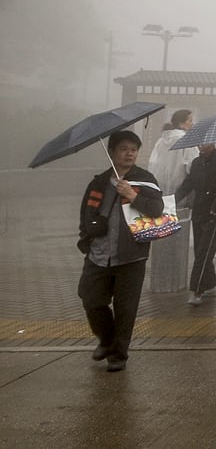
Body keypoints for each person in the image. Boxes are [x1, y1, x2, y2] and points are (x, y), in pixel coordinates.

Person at [76, 129, 165, 371]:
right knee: (90, 298)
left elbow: (157, 209)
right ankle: (106, 339)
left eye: (133, 150)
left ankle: (118, 355)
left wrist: (132, 195)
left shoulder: (145, 179)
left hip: (131, 256)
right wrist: (86, 240)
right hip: (98, 254)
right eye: (124, 149)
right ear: (112, 152)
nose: (129, 154)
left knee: (126, 308)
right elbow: (86, 213)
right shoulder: (99, 182)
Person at [174, 142, 216, 305]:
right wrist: (172, 200)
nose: (201, 146)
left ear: (213, 143)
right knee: (201, 251)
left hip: (214, 214)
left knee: (204, 254)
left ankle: (196, 290)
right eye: (200, 143)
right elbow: (188, 184)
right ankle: (210, 284)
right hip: (198, 213)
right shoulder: (196, 163)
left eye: (205, 143)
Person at [148, 109, 196, 193]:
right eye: (190, 121)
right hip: (181, 188)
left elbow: (153, 162)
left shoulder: (161, 141)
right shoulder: (187, 141)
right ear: (181, 123)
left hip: (160, 184)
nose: (192, 124)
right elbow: (192, 165)